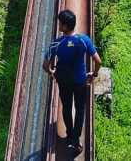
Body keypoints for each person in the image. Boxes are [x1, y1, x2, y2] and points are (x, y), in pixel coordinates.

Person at [43, 9, 102, 156]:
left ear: (64, 26)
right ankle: (76, 140)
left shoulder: (55, 44)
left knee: (67, 107)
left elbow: (46, 66)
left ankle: (69, 134)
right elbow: (98, 61)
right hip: (80, 81)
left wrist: (52, 74)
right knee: (80, 109)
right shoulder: (84, 40)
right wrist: (93, 74)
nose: (59, 25)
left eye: (60, 23)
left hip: (64, 81)